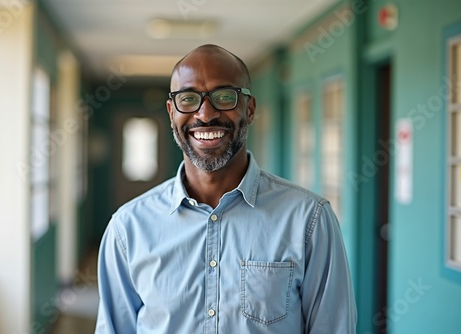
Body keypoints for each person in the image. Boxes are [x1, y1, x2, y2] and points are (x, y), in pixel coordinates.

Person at [95, 44, 357, 333]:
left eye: (224, 97)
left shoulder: (309, 220)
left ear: (250, 109)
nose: (205, 114)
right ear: (172, 113)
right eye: (188, 98)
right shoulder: (127, 228)